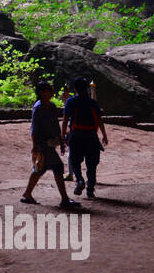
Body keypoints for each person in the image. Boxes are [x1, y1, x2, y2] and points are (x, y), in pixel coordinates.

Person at [21, 80, 80, 209]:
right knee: (56, 167)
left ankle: (27, 194)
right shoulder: (39, 107)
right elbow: (34, 128)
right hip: (43, 143)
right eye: (48, 89)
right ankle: (64, 199)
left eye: (50, 89)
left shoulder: (52, 106)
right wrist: (35, 145)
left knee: (40, 169)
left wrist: (61, 140)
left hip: (50, 143)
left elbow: (55, 124)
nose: (51, 91)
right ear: (41, 92)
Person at [62, 76, 108, 199]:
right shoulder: (93, 103)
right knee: (91, 164)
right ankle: (90, 190)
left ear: (75, 89)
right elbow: (99, 120)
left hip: (76, 136)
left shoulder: (71, 101)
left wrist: (62, 135)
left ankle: (80, 180)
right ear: (87, 89)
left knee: (75, 160)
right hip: (92, 136)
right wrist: (104, 135)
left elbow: (65, 120)